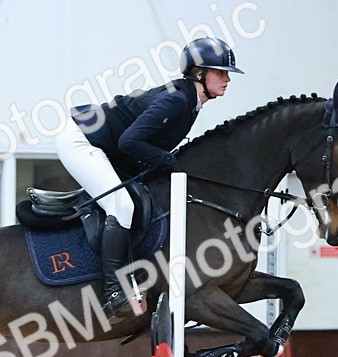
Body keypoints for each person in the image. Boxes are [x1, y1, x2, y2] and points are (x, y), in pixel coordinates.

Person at [55, 37, 243, 322]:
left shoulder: (191, 101)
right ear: (199, 74)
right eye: (221, 72)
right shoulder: (177, 100)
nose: (227, 79)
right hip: (82, 140)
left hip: (105, 146)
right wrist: (168, 161)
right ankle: (112, 293)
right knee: (123, 206)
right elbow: (129, 141)